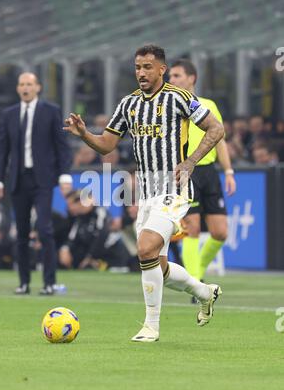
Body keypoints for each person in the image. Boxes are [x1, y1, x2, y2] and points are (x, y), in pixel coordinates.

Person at [64, 44, 224, 342]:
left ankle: (151, 326)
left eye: (147, 67)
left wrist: (190, 162)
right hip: (146, 192)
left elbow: (216, 129)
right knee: (156, 265)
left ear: (162, 69)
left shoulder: (180, 98)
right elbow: (108, 145)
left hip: (174, 189)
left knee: (146, 248)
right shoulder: (129, 104)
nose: (141, 72)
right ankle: (204, 291)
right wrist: (84, 134)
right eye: (137, 67)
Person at [0, 72, 72, 295]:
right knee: (22, 233)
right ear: (18, 88)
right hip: (17, 179)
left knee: (45, 230)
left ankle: (48, 282)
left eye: (29, 84)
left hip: (43, 179)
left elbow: (61, 146)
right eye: (22, 84)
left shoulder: (51, 111)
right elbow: (3, 150)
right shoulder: (9, 114)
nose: (25, 88)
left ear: (38, 87)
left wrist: (65, 175)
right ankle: (24, 282)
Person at [169, 59, 236, 299]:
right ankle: (196, 285)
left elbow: (220, 140)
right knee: (192, 229)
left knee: (220, 232)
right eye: (170, 76)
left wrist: (228, 172)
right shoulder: (171, 107)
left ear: (192, 78)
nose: (171, 80)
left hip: (209, 172)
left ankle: (198, 272)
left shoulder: (208, 105)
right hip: (187, 172)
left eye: (176, 76)